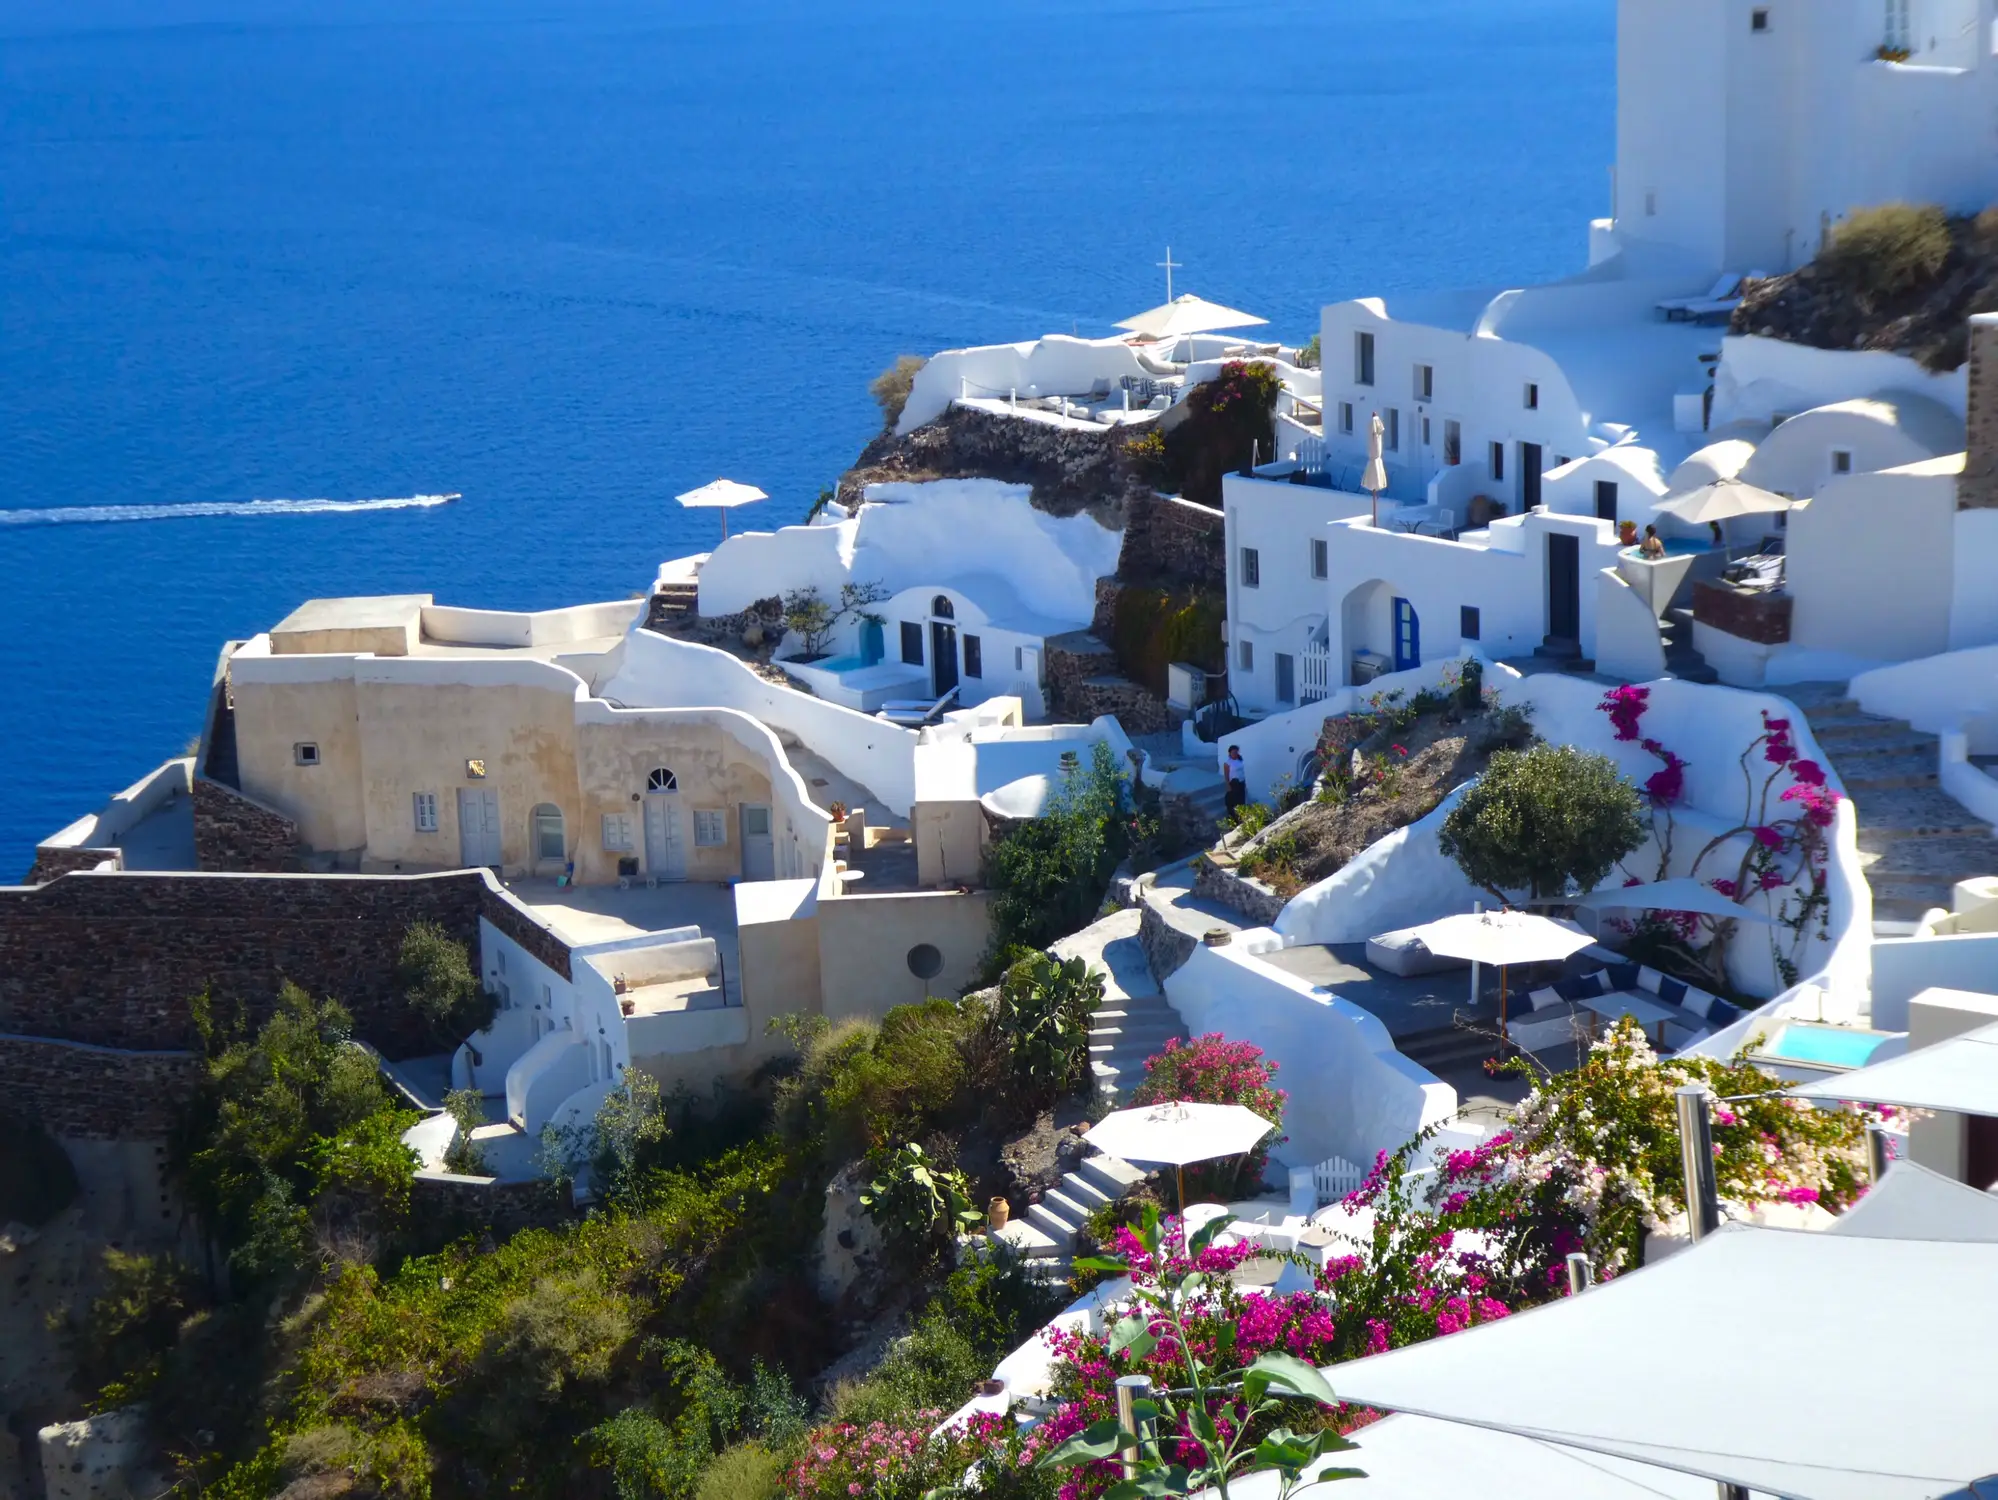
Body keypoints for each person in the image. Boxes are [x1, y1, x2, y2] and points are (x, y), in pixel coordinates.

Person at [1224, 745, 1247, 820]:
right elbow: (1226, 775)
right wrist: (1228, 785)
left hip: (1241, 782)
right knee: (1234, 802)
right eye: (1233, 752)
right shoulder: (1228, 763)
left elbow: (1242, 772)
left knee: (1241, 800)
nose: (1234, 753)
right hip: (1234, 783)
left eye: (1236, 752)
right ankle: (1234, 818)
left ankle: (1241, 816)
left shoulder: (1239, 760)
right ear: (1230, 753)